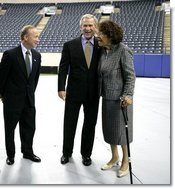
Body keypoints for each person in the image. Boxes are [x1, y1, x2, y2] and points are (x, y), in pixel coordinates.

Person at [58, 14, 101, 166]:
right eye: (85, 25)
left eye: (90, 25)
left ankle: (86, 154)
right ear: (80, 27)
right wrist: (61, 88)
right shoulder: (70, 45)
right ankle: (66, 153)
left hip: (94, 93)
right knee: (69, 123)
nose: (88, 28)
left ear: (95, 27)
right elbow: (63, 68)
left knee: (90, 124)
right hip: (73, 92)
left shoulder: (101, 45)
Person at [0, 25, 41, 165]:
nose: (38, 40)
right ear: (25, 37)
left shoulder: (37, 56)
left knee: (29, 127)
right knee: (10, 129)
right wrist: (1, 93)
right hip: (12, 100)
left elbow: (35, 79)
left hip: (29, 100)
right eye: (35, 36)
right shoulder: (10, 54)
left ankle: (27, 152)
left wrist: (31, 93)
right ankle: (11, 155)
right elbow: (1, 76)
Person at [96, 20, 136, 178]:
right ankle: (114, 157)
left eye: (101, 34)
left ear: (110, 36)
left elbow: (130, 76)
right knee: (110, 130)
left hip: (121, 100)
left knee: (121, 133)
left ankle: (125, 161)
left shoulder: (123, 50)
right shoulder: (103, 51)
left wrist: (128, 95)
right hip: (106, 97)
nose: (98, 36)